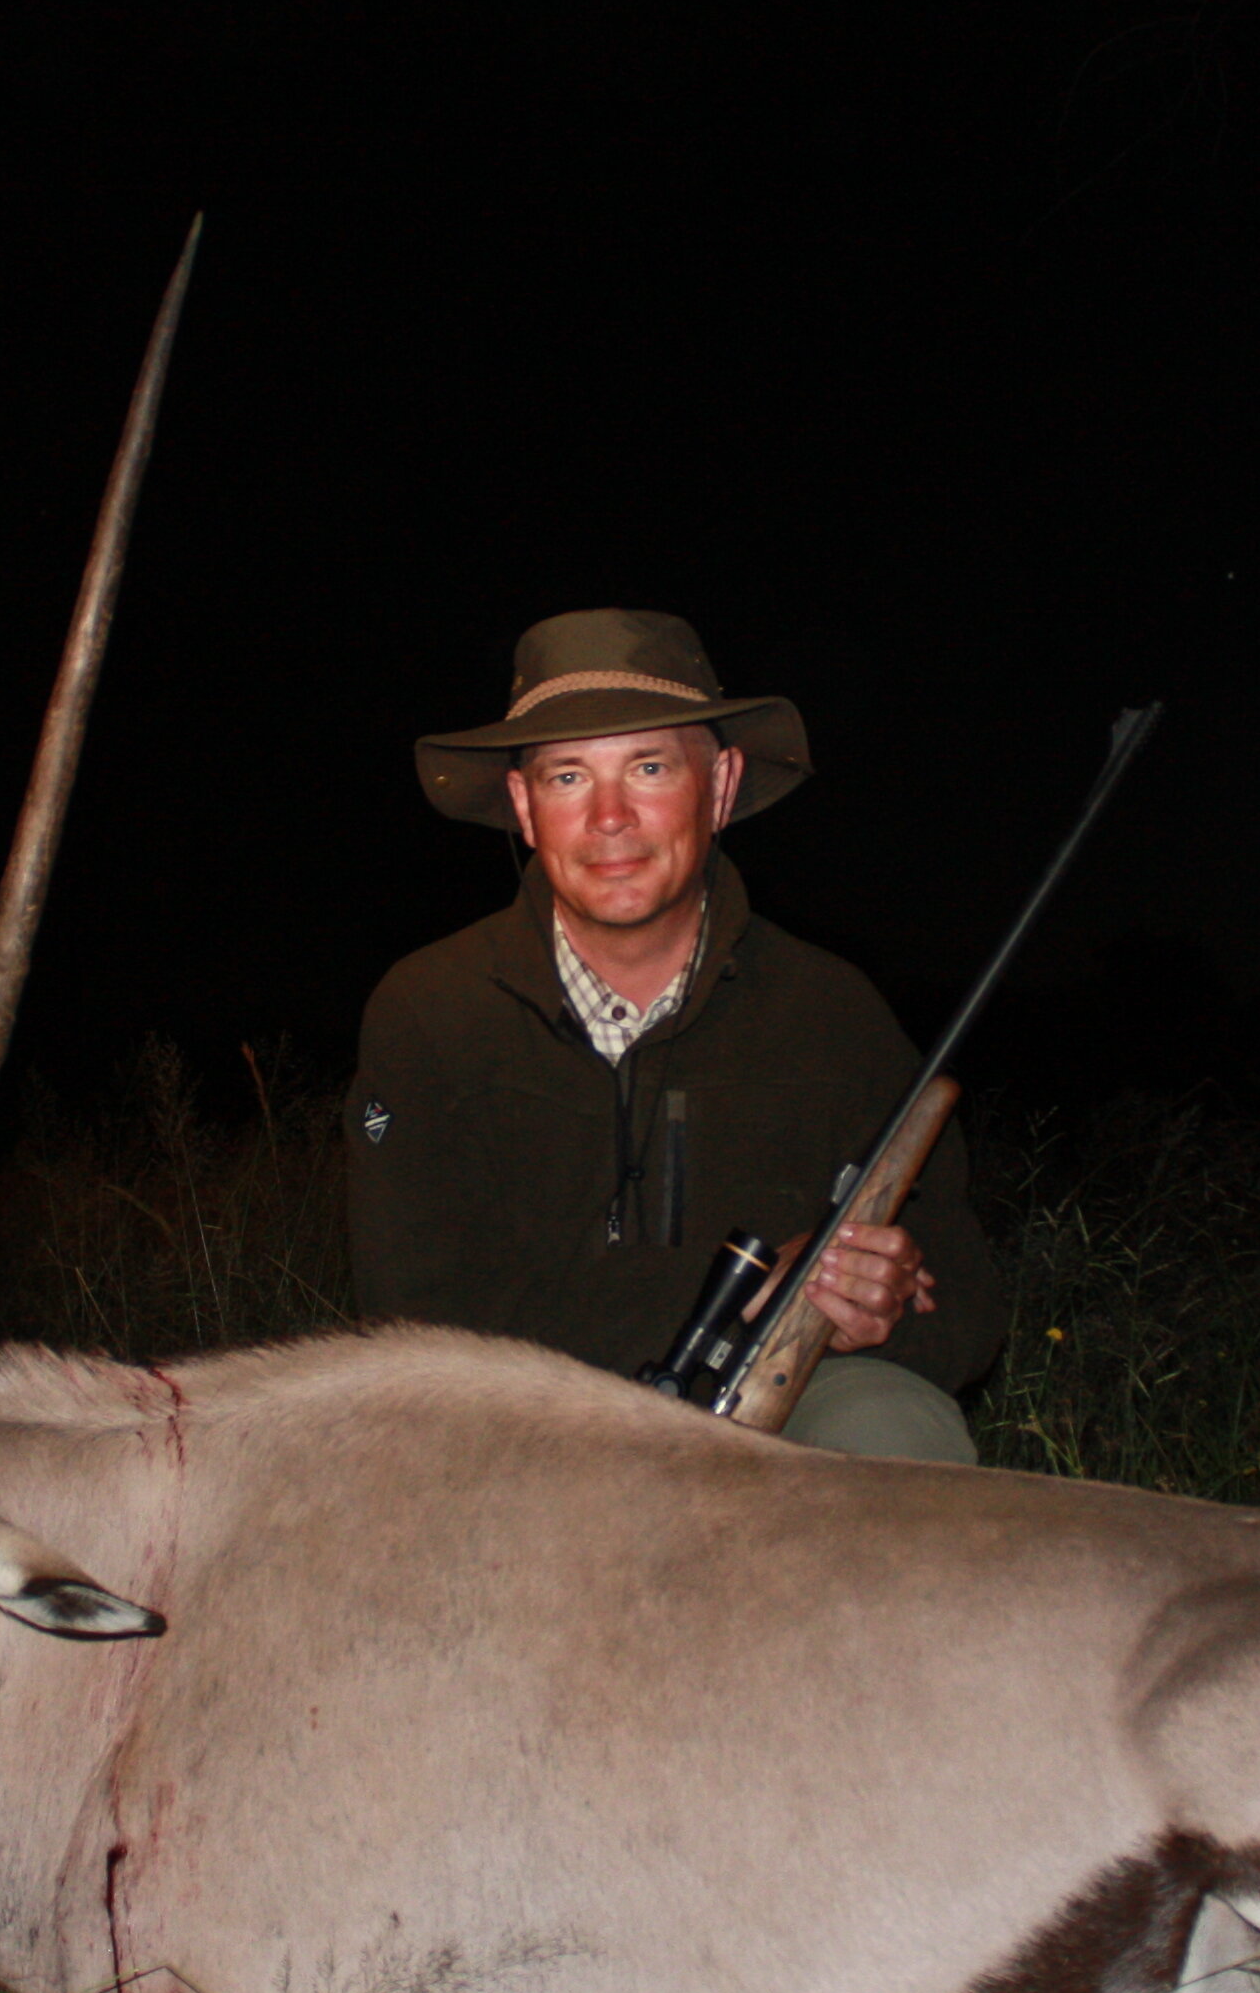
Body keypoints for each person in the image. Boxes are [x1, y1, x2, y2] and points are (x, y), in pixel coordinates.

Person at [347, 609, 1004, 1460]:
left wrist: (880, 1304)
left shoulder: (832, 1010)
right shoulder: (426, 1008)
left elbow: (965, 1305)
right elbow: (412, 1311)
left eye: (649, 767)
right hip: (508, 1418)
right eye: (568, 777)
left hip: (773, 1417)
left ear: (721, 786)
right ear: (523, 806)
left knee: (890, 1426)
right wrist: (742, 1292)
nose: (610, 817)